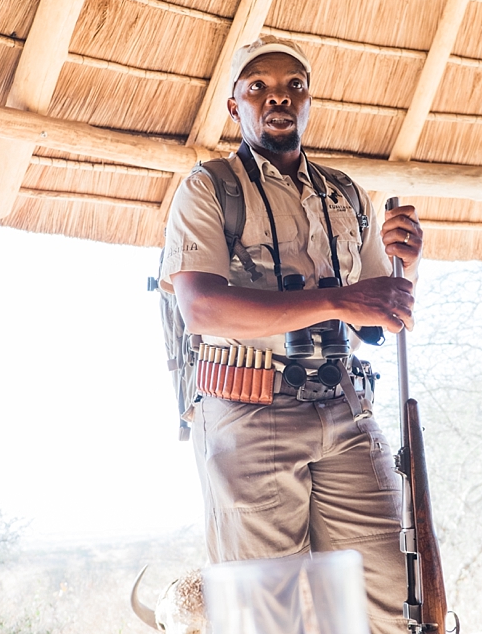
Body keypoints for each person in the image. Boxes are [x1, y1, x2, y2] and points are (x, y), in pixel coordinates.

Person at [159, 35, 423, 634]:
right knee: (271, 614)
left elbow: (375, 323)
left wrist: (408, 265)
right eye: (259, 87)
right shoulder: (210, 187)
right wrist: (336, 299)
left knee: (396, 598)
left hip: (347, 409)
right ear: (235, 106)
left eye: (293, 86)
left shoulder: (346, 194)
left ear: (308, 103)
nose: (277, 97)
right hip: (250, 412)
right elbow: (202, 309)